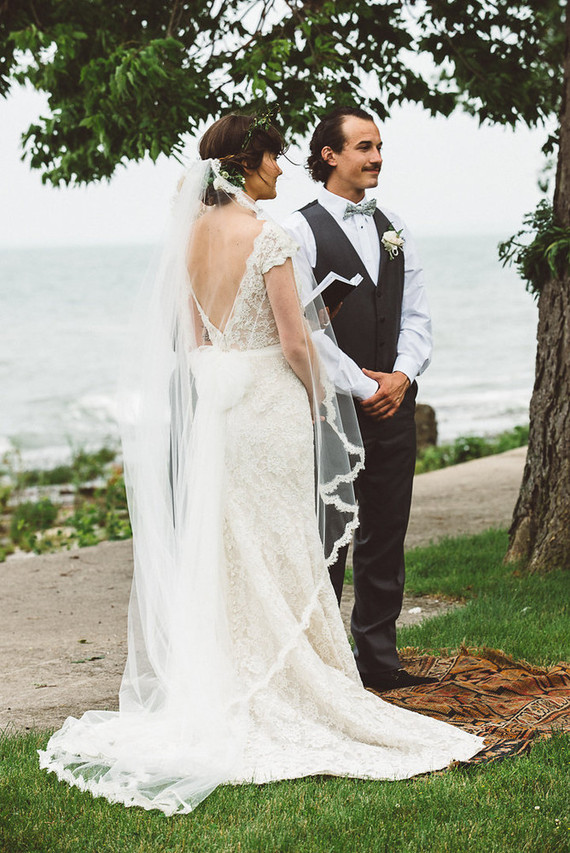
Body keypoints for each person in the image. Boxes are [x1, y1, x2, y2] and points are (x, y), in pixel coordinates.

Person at [39, 114, 483, 816]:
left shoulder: (188, 239)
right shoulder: (268, 235)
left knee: (233, 543)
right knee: (278, 538)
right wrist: (315, 402)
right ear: (250, 164)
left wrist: (225, 379)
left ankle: (229, 678)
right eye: (274, 159)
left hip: (223, 406)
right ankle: (289, 682)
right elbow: (296, 341)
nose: (281, 170)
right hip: (271, 405)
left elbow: (190, 337)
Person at [285, 106, 436, 693]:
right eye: (364, 147)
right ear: (330, 155)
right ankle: (322, 667)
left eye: (379, 147)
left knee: (386, 533)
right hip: (329, 412)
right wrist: (365, 386)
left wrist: (399, 377)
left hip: (394, 406)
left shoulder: (394, 227)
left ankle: (378, 658)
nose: (376, 158)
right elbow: (302, 333)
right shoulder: (298, 232)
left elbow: (417, 315)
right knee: (329, 536)